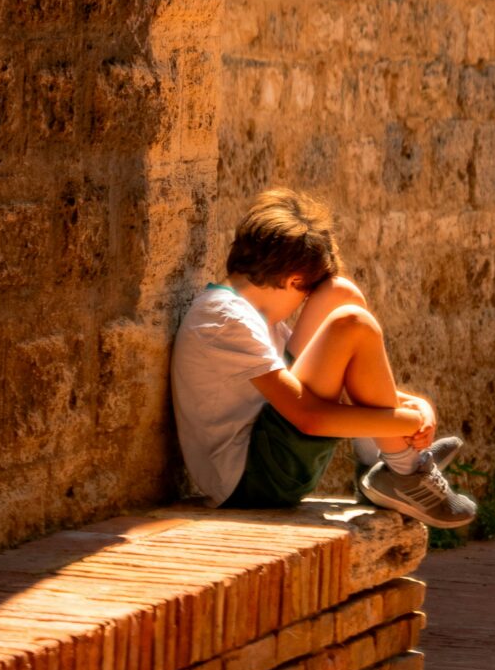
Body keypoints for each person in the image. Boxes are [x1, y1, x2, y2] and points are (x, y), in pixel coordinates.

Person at [171, 188, 477, 528]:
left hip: (268, 456)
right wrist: (406, 423)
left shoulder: (248, 315)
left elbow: (340, 380)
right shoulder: (227, 319)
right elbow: (309, 417)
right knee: (352, 324)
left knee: (340, 292)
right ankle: (404, 468)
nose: (305, 304)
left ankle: (384, 462)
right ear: (294, 281)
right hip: (251, 481)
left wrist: (417, 406)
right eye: (306, 294)